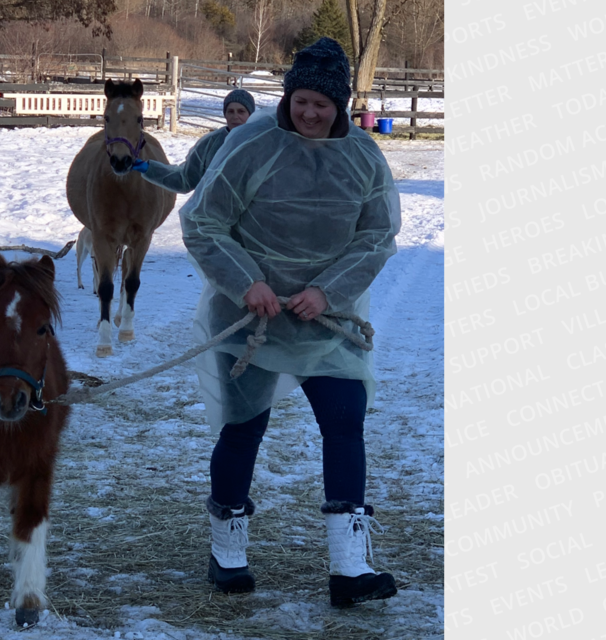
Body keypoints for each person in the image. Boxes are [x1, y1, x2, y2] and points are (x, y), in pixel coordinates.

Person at [178, 37, 402, 608]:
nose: (309, 112)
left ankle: (349, 569)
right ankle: (227, 554)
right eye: (301, 100)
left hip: (328, 322)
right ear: (289, 97)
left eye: (321, 104)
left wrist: (327, 292)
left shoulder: (364, 158)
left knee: (345, 422)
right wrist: (246, 282)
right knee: (244, 427)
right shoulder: (252, 147)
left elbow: (377, 235)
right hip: (252, 318)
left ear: (341, 105)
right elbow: (204, 222)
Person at [130, 89, 255, 193]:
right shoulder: (210, 144)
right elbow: (185, 179)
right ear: (225, 114)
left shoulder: (262, 143)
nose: (235, 116)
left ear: (251, 114)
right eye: (230, 111)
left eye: (241, 111)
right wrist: (149, 169)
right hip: (214, 219)